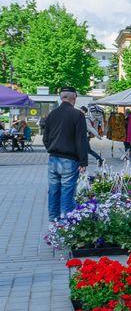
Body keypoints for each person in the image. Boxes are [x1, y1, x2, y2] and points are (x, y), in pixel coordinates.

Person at [42, 87, 89, 221]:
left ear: (62, 98)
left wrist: (52, 148)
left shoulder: (52, 114)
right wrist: (83, 161)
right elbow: (81, 140)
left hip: (53, 159)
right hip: (69, 160)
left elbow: (45, 138)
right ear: (73, 98)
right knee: (67, 192)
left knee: (53, 191)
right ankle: (66, 224)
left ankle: (53, 221)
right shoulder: (78, 115)